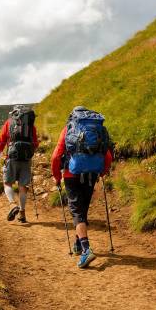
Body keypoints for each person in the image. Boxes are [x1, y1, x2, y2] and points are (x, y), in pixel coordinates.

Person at [51, 106, 113, 268]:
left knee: (77, 212)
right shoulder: (98, 129)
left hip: (72, 175)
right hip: (92, 173)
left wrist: (57, 177)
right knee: (83, 209)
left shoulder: (69, 128)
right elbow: (107, 154)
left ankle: (86, 249)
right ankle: (78, 243)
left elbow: (57, 155)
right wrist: (102, 172)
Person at [0, 105, 39, 223]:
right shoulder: (31, 125)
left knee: (7, 183)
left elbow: (2, 139)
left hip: (12, 157)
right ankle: (22, 213)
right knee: (23, 186)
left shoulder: (9, 122)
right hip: (26, 159)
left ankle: (12, 204)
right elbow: (35, 143)